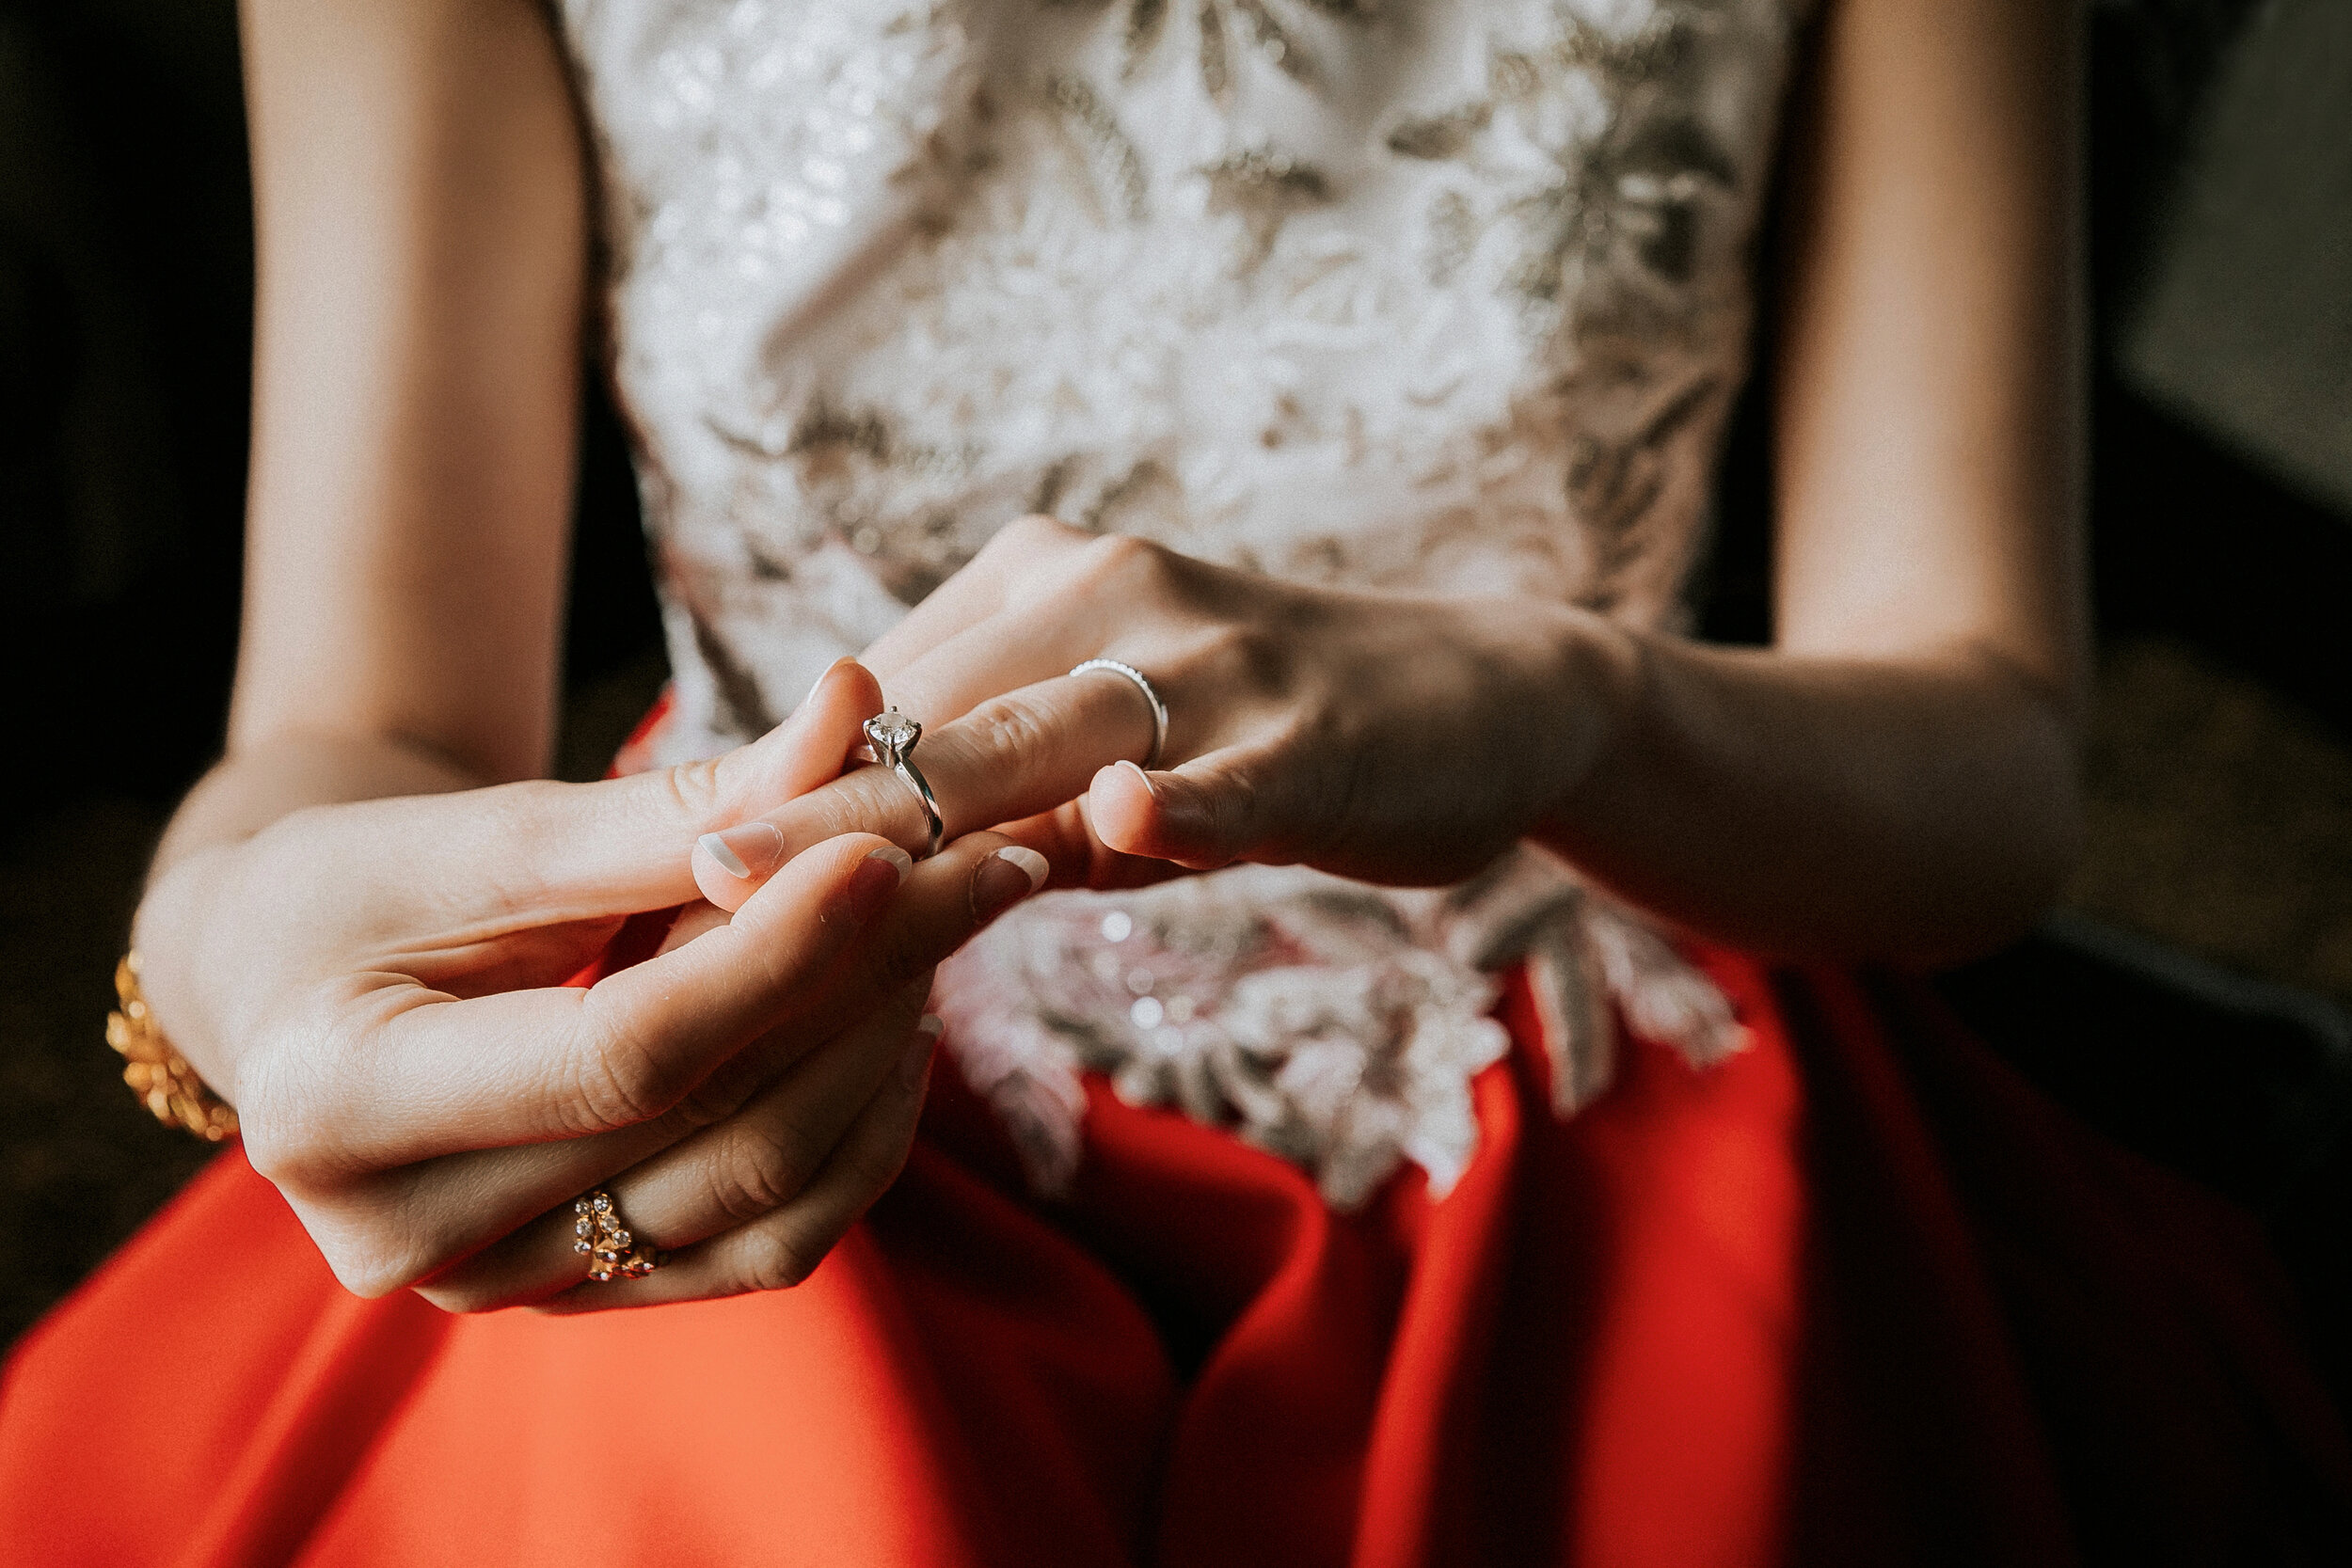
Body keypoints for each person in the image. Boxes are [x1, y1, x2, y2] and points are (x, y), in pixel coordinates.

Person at [2, 0, 2346, 1561]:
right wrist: (224, 961)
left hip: (1599, 1072)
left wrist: (1577, 709)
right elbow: (362, 721)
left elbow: (1984, 769)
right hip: (756, 1057)